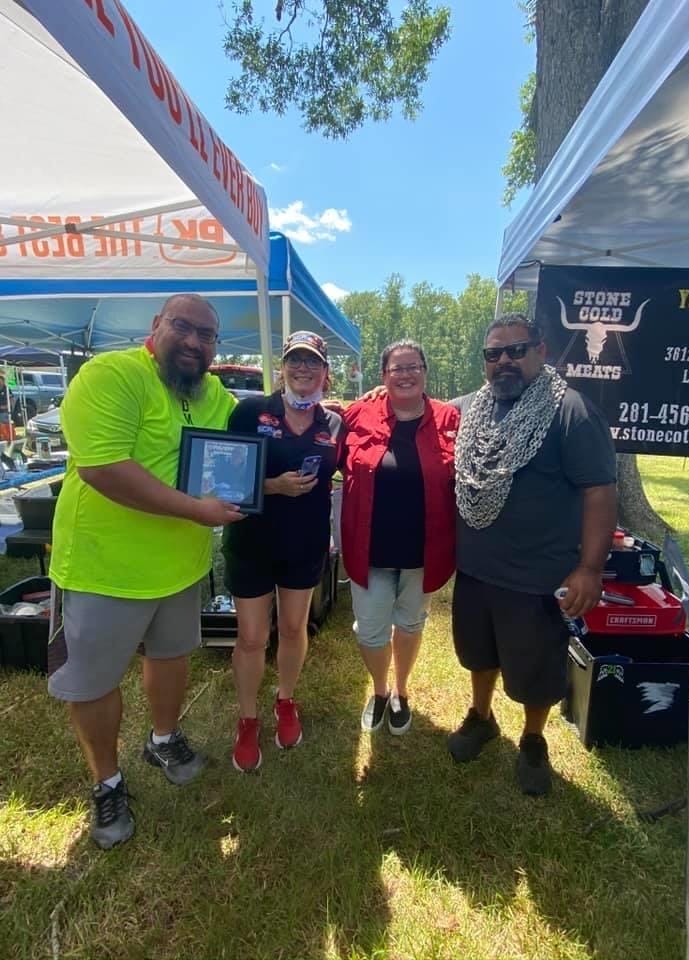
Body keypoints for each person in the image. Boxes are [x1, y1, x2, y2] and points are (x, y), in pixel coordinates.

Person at [48, 294, 243, 850]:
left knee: (171, 658)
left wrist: (325, 409)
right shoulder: (111, 375)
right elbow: (106, 469)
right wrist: (197, 511)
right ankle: (106, 782)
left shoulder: (213, 394)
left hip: (180, 568)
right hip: (102, 569)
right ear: (156, 327)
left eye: (207, 335)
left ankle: (163, 738)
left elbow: (251, 435)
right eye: (183, 327)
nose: (194, 341)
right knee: (94, 682)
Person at [448, 313, 617, 795]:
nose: (504, 361)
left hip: (537, 577)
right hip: (477, 569)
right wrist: (386, 391)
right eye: (493, 354)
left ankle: (533, 738)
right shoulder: (468, 410)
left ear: (541, 351)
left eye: (515, 350)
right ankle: (481, 717)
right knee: (477, 653)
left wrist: (589, 568)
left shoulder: (572, 412)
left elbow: (600, 491)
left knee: (536, 670)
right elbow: (422, 410)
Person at [222, 331, 344, 772]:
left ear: (325, 374)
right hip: (252, 543)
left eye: (312, 362)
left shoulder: (333, 423)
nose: (303, 369)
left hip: (305, 543)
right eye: (295, 360)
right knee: (253, 637)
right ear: (282, 367)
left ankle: (286, 700)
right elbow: (225, 476)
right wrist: (272, 486)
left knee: (293, 629)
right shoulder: (252, 411)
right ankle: (248, 718)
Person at [341, 340, 459, 735]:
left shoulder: (449, 418)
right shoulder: (358, 413)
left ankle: (401, 692)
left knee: (411, 623)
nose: (406, 374)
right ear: (383, 376)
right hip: (369, 549)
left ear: (426, 372)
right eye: (396, 368)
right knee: (371, 630)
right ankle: (378, 689)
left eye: (413, 366)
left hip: (423, 551)